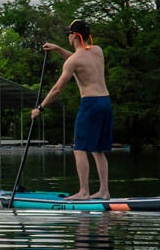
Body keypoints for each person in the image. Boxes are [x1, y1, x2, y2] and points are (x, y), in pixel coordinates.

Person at [31, 19, 112, 200]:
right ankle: (104, 191)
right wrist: (59, 49)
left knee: (79, 148)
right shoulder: (97, 51)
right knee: (98, 149)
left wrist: (40, 108)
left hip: (90, 103)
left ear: (75, 36)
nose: (68, 36)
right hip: (106, 102)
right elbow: (79, 58)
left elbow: (57, 89)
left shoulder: (73, 61)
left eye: (69, 33)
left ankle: (84, 192)